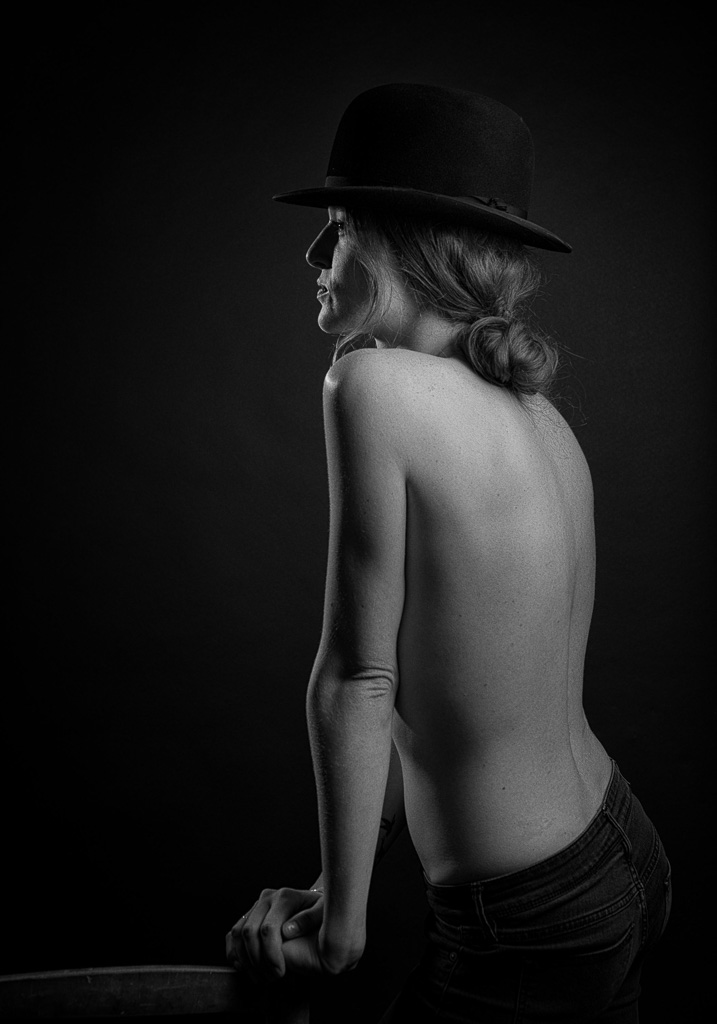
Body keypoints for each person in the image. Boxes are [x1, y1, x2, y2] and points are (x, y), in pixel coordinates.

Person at [226, 84, 671, 1022]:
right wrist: (332, 880)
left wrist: (341, 926)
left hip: (528, 916)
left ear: (403, 244)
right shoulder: (539, 419)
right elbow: (436, 693)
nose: (313, 255)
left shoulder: (370, 383)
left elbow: (359, 678)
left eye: (339, 228)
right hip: (617, 850)